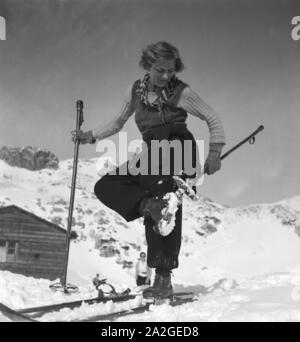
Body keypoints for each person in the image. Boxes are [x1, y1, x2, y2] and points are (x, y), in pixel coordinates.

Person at [72, 41, 225, 298]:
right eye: (160, 70)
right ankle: (149, 207)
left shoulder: (182, 92)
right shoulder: (135, 92)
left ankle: (163, 278)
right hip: (151, 150)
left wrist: (215, 152)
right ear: (148, 66)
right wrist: (89, 136)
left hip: (178, 148)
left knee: (164, 198)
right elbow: (118, 121)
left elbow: (212, 117)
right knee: (108, 185)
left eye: (171, 70)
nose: (166, 76)